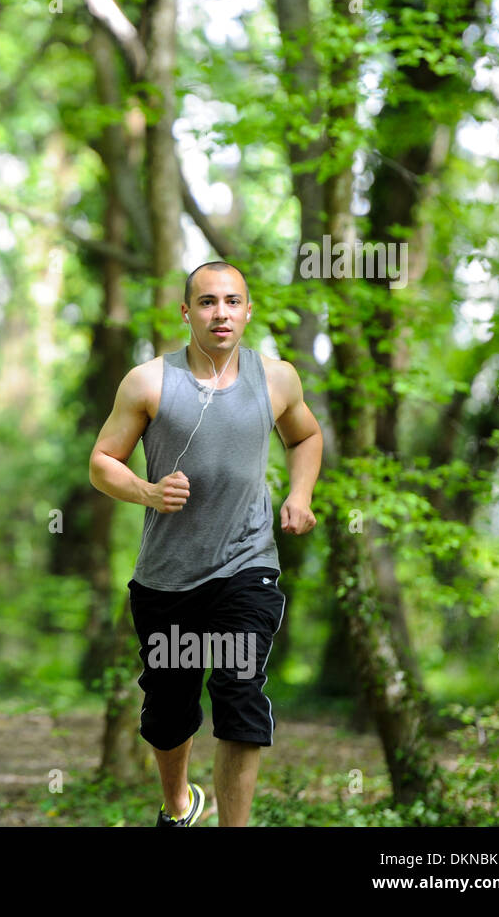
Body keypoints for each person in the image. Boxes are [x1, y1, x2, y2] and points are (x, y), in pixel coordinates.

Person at [87, 261, 323, 826]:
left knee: (240, 697)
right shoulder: (148, 382)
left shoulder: (276, 378)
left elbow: (307, 435)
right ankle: (178, 804)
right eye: (209, 302)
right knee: (168, 713)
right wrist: (147, 491)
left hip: (247, 567)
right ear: (187, 311)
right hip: (167, 577)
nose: (222, 313)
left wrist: (300, 495)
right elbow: (101, 462)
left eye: (233, 301)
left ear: (248, 310)